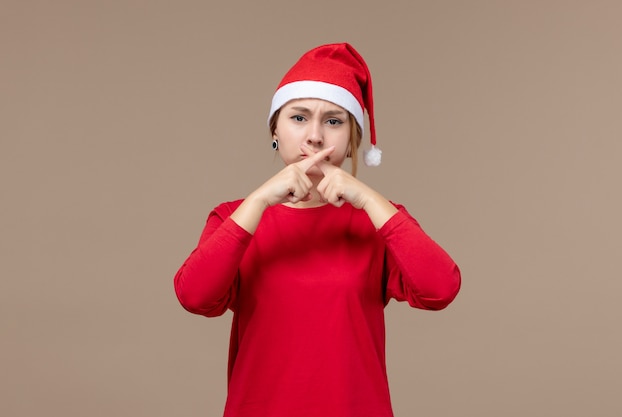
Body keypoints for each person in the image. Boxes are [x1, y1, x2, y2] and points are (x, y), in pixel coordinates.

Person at [174, 42, 461, 417]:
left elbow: (440, 288)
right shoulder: (235, 217)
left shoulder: (378, 222)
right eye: (298, 117)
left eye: (333, 121)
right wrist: (259, 201)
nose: (314, 137)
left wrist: (370, 199)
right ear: (274, 129)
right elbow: (194, 296)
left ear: (352, 138)